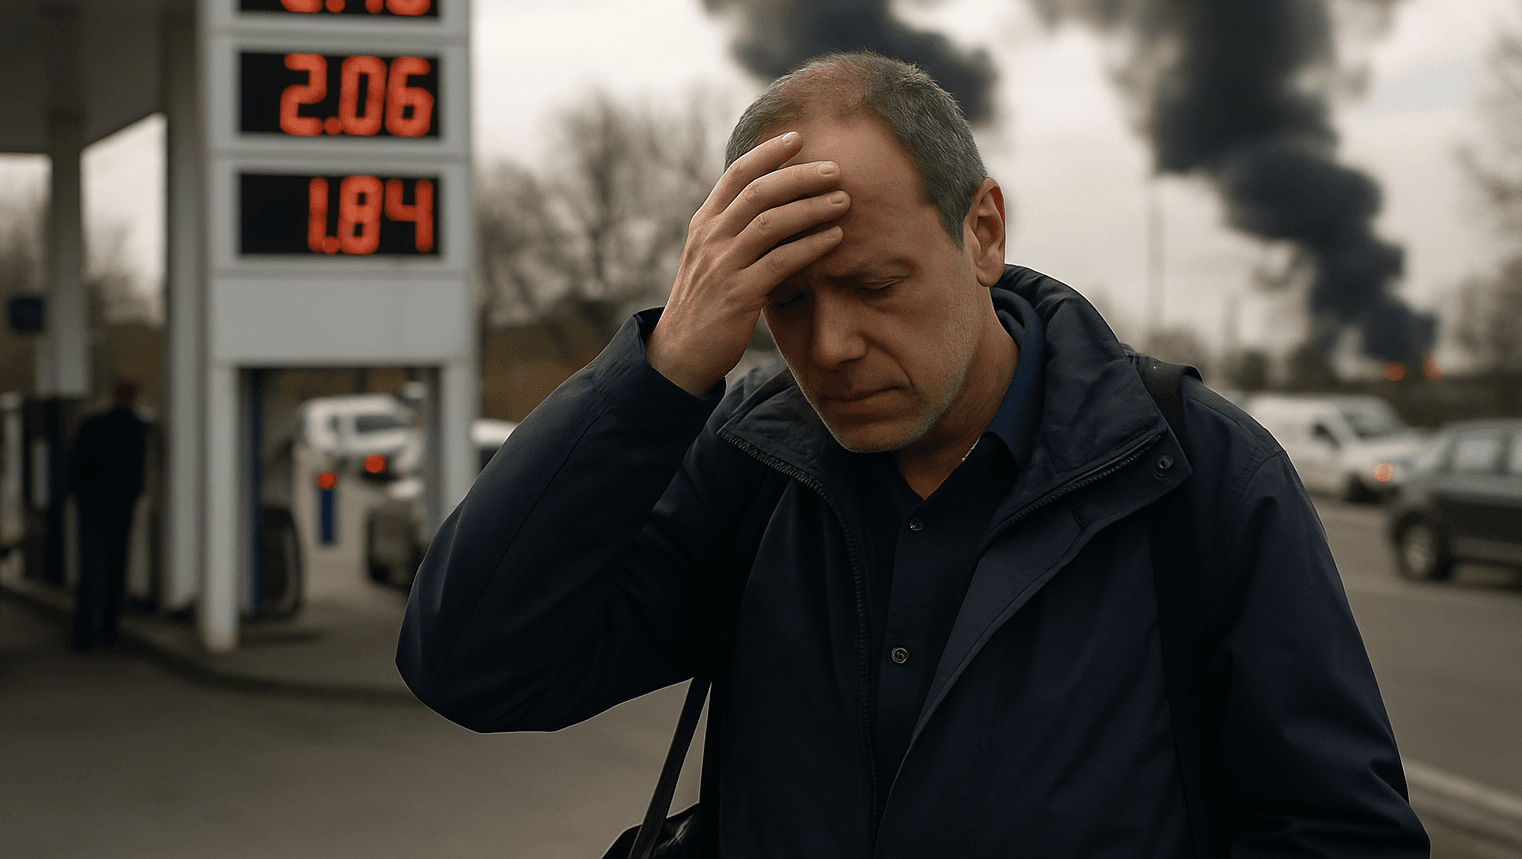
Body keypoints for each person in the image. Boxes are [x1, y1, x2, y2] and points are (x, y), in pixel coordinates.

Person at [398, 52, 1428, 856]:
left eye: (877, 286)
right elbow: (475, 665)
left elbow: (1339, 832)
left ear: (982, 231)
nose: (831, 346)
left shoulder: (1196, 471)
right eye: (787, 302)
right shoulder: (753, 471)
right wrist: (664, 369)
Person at [69, 378, 148, 650]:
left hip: (92, 508)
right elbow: (138, 470)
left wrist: (81, 498)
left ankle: (83, 634)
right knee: (116, 568)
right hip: (121, 509)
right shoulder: (136, 428)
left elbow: (76, 465)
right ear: (133, 398)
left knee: (91, 569)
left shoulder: (92, 425)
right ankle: (108, 632)